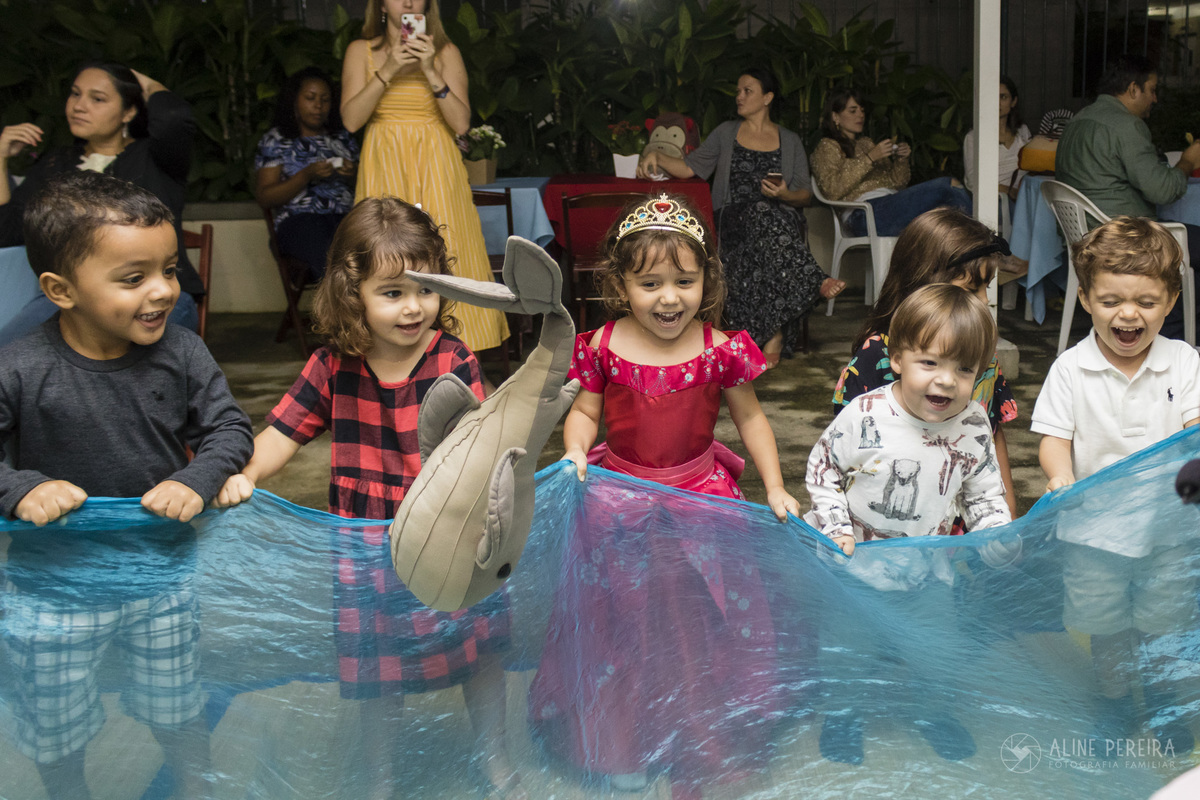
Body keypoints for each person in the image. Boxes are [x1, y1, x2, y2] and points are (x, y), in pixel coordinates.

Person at [213, 198, 523, 800]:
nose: (413, 307)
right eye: (392, 292)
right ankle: (380, 776)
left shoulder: (452, 358)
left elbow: (483, 447)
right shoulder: (332, 365)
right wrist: (243, 474)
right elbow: (280, 433)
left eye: (426, 289)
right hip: (366, 549)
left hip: (450, 538)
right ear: (351, 293)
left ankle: (495, 758)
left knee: (479, 650)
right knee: (377, 670)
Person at [528, 193, 801, 792]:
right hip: (617, 501)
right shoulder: (601, 345)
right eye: (650, 283)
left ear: (707, 279)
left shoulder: (720, 348)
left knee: (697, 621)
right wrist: (574, 452)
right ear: (620, 285)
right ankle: (623, 743)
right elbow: (586, 412)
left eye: (685, 280)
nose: (669, 297)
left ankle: (700, 729)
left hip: (703, 502)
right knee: (624, 622)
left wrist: (776, 487)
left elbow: (751, 418)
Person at [0, 172, 254, 798]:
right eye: (133, 277)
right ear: (60, 290)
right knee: (56, 723)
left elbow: (229, 428)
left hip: (159, 578)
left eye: (169, 268)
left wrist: (198, 477)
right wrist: (19, 487)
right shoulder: (19, 368)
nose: (163, 290)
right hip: (53, 588)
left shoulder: (183, 352)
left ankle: (196, 787)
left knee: (177, 705)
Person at [806, 283, 1013, 765]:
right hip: (854, 567)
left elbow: (983, 493)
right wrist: (835, 526)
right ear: (897, 358)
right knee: (846, 649)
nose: (946, 381)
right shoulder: (865, 415)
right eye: (930, 363)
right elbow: (822, 469)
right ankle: (842, 714)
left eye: (964, 369)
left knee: (936, 649)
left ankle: (933, 711)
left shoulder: (974, 425)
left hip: (927, 571)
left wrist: (995, 534)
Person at [1031, 216, 1200, 753]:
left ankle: (1163, 700)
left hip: (1169, 533)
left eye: (1146, 302)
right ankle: (1115, 701)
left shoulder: (1184, 362)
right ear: (1085, 299)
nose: (1129, 314)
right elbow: (1054, 438)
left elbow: (1195, 430)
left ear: (1171, 301)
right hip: (1093, 535)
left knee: (1163, 624)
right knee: (1104, 626)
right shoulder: (1070, 369)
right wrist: (1060, 475)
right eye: (1111, 301)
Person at [636, 68, 844, 367]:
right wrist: (655, 155)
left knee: (764, 231)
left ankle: (773, 335)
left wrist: (784, 194)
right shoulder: (726, 133)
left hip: (778, 221)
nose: (739, 96)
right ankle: (814, 280)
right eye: (738, 91)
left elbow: (804, 195)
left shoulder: (789, 140)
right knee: (760, 211)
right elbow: (690, 167)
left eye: (747, 91)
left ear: (767, 98)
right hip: (732, 218)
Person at [340, 0, 508, 357]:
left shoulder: (446, 52)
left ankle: (461, 358)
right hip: (385, 158)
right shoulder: (360, 51)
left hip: (436, 161)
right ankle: (384, 358)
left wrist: (430, 69)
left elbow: (461, 123)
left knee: (450, 247)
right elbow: (351, 120)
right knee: (382, 250)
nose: (408, 2)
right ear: (380, 4)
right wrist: (390, 67)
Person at [832, 208, 1019, 517]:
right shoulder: (875, 356)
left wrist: (1008, 516)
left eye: (987, 287)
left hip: (963, 523)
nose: (985, 301)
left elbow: (991, 433)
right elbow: (842, 452)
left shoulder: (979, 355)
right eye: (972, 289)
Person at [0, 62, 202, 344]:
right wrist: (0, 158)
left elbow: (173, 119)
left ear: (128, 112)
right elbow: (8, 233)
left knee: (112, 357)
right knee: (10, 351)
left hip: (154, 293)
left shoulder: (155, 157)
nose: (79, 106)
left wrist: (146, 82)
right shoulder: (57, 164)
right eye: (75, 94)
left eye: (97, 99)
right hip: (71, 299)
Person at [1057, 54, 1200, 340]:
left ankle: (1175, 329)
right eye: (1152, 90)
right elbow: (1162, 190)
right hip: (1124, 238)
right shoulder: (1126, 125)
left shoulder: (1078, 120)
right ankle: (1172, 336)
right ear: (1133, 89)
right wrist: (1187, 161)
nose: (1155, 99)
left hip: (1085, 234)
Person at [810, 87, 972, 237]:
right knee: (948, 185)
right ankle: (981, 242)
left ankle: (970, 248)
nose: (860, 115)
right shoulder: (827, 146)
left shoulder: (866, 144)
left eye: (862, 110)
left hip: (889, 205)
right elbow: (831, 190)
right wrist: (869, 159)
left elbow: (897, 183)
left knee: (947, 209)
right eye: (853, 110)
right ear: (835, 116)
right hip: (862, 214)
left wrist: (901, 160)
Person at [255, 66, 359, 282]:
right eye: (310, 98)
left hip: (344, 218)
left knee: (364, 243)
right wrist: (306, 175)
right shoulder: (277, 139)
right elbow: (265, 197)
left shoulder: (341, 138)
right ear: (294, 100)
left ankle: (356, 299)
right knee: (327, 249)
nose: (318, 106)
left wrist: (351, 174)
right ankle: (344, 301)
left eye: (325, 100)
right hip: (299, 221)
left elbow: (365, 186)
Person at [962, 75, 1031, 200]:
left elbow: (1032, 166)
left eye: (1003, 97)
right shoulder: (973, 137)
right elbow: (973, 181)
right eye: (992, 97)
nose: (997, 103)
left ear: (1013, 101)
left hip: (1022, 198)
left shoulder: (1022, 131)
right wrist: (1007, 190)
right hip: (990, 199)